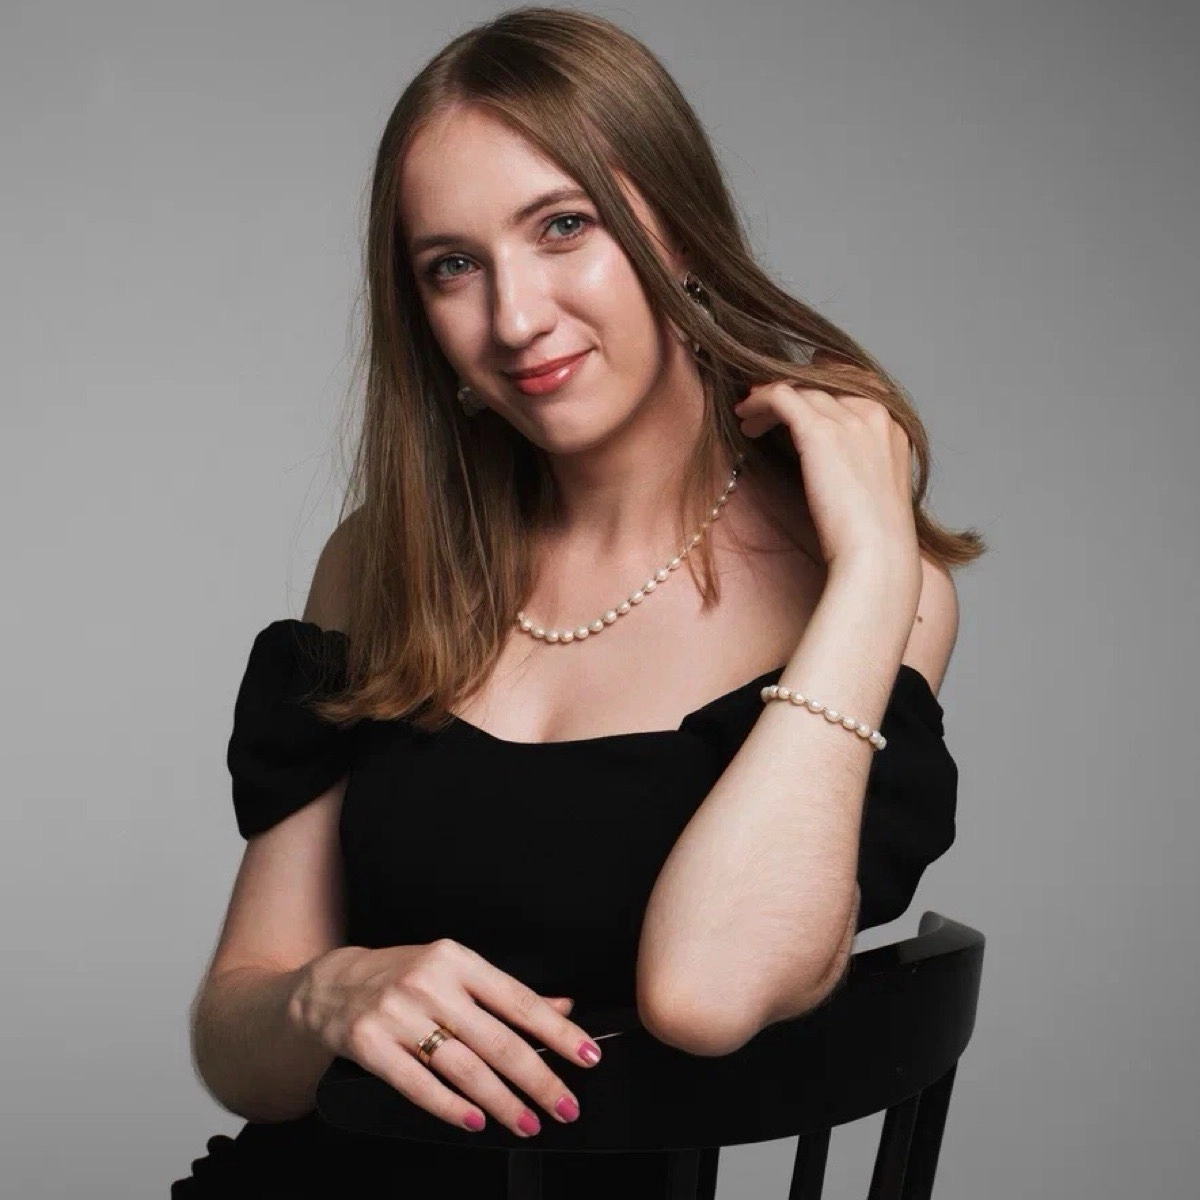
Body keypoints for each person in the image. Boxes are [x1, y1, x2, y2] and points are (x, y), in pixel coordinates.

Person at [171, 5, 982, 1196]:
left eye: (564, 226)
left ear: (682, 228)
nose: (515, 318)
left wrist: (870, 569)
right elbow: (240, 1049)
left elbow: (705, 994)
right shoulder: (383, 560)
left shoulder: (868, 598)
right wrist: (324, 993)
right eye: (453, 265)